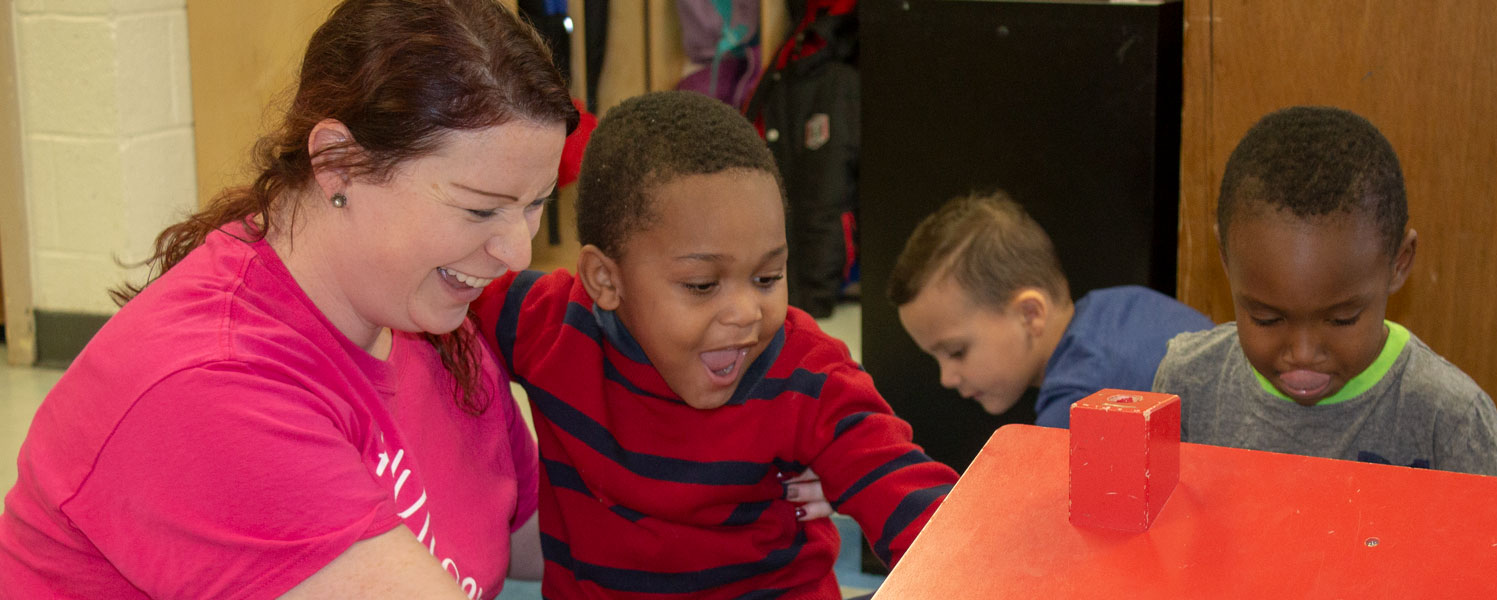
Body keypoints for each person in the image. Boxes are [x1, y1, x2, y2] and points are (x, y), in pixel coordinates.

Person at [0, 1, 578, 597]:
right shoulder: (212, 389)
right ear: (336, 163)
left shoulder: (423, 314)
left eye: (535, 205)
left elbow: (551, 542)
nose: (516, 252)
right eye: (481, 208)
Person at [471, 90, 960, 598]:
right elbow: (431, 297)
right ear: (605, 280)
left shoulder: (809, 375)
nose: (747, 313)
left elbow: (928, 515)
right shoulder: (544, 323)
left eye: (768, 276)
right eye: (703, 285)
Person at [1152, 106, 1497, 478]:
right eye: (1267, 319)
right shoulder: (1188, 386)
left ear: (1399, 263)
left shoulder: (1449, 417)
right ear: (1226, 260)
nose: (1302, 353)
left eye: (1341, 319)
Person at [888, 191, 1213, 428]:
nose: (946, 378)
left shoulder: (1078, 404)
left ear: (1030, 314)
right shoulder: (1125, 302)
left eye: (957, 352)